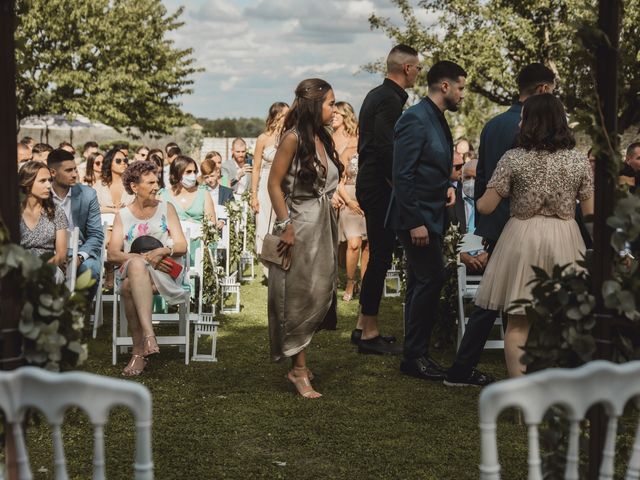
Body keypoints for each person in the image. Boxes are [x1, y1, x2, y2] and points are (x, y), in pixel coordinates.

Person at [444, 62, 556, 387]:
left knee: (490, 300)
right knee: (509, 303)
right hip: (522, 225)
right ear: (543, 90)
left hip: (495, 221)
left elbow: (483, 181)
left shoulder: (492, 125)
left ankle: (464, 370)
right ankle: (518, 373)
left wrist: (485, 226)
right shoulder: (532, 126)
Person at [473, 94, 594, 378]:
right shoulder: (578, 161)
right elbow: (590, 215)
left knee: (518, 320)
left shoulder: (513, 158)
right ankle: (559, 385)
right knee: (565, 318)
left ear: (530, 121)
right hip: (565, 237)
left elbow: (487, 206)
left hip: (522, 237)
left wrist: (479, 196)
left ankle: (519, 392)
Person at [385, 60, 464, 381]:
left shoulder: (437, 118)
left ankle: (416, 353)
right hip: (415, 218)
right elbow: (401, 174)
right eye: (460, 87)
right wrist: (415, 220)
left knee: (423, 282)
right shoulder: (415, 119)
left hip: (432, 213)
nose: (462, 94)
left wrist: (445, 184)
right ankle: (414, 356)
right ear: (444, 86)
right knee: (430, 279)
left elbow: (429, 163)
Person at [267, 78, 342, 398]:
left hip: (323, 224)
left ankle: (301, 360)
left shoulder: (321, 137)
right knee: (299, 295)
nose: (335, 109)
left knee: (321, 290)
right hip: (299, 226)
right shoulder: (293, 138)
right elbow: (273, 184)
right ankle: (298, 369)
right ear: (314, 105)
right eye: (330, 103)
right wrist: (286, 225)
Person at [353, 44, 421, 354]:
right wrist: (401, 187)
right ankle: (369, 332)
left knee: (379, 254)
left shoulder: (377, 95)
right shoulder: (390, 101)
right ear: (407, 68)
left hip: (372, 183)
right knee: (380, 255)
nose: (418, 73)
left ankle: (361, 325)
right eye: (417, 68)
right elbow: (385, 150)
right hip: (379, 186)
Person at [107, 161, 188, 376]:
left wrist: (164, 250)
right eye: (150, 182)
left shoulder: (166, 208)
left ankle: (138, 352)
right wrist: (139, 258)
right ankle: (149, 335)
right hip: (136, 270)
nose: (156, 186)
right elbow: (113, 253)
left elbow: (182, 245)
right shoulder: (122, 215)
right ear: (134, 187)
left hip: (162, 271)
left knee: (126, 287)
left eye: (157, 181)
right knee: (135, 264)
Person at [48, 149, 104, 300]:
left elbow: (96, 234)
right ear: (53, 172)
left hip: (80, 250)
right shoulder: (42, 194)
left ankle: (77, 315)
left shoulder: (88, 194)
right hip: (49, 249)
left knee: (90, 269)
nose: (74, 174)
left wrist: (79, 257)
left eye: (74, 169)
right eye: (68, 170)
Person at [333, 101, 368, 301]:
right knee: (347, 244)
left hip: (365, 196)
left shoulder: (358, 138)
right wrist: (336, 194)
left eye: (337, 113)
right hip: (343, 194)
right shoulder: (330, 138)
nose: (332, 117)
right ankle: (347, 280)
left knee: (364, 244)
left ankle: (364, 283)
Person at [19, 161, 68, 282]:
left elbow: (61, 254)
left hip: (49, 266)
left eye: (50, 180)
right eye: (42, 181)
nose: (49, 186)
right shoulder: (11, 211)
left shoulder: (56, 211)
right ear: (27, 183)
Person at [251, 102, 289, 257]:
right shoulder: (263, 138)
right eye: (286, 114)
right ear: (278, 116)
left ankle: (280, 258)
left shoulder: (289, 136)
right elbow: (256, 168)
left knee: (282, 221)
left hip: (284, 184)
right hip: (265, 184)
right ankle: (265, 258)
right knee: (264, 222)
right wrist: (253, 195)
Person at [447, 159, 489, 274]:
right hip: (458, 267)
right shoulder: (451, 202)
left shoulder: (490, 202)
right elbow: (446, 237)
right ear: (461, 177)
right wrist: (461, 255)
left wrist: (488, 254)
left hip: (488, 264)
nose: (471, 182)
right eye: (467, 177)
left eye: (475, 178)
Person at [159, 155, 217, 224]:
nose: (193, 175)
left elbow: (212, 223)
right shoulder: (163, 195)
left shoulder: (203, 193)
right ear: (177, 173)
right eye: (188, 172)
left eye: (194, 171)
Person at [94, 148, 135, 214]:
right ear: (110, 163)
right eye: (118, 161)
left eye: (125, 160)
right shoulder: (99, 186)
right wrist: (113, 210)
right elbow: (92, 208)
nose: (123, 163)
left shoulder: (134, 184)